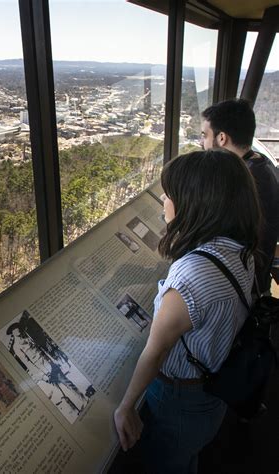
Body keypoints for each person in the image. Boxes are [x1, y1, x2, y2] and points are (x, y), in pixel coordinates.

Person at [114, 149, 260, 474]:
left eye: (171, 193)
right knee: (185, 455)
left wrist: (126, 407)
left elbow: (157, 350)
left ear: (196, 202)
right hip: (212, 393)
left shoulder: (192, 273)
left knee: (167, 462)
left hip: (178, 398)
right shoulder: (241, 250)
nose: (164, 199)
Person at [201, 99, 279, 294]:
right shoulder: (264, 166)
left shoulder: (244, 183)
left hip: (242, 290)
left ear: (221, 138)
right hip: (256, 282)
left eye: (205, 135)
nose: (202, 143)